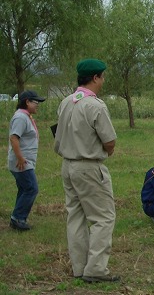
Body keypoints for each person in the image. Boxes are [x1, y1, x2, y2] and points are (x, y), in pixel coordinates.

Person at [54, 58, 119, 283]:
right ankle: (96, 269)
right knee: (103, 217)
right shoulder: (95, 105)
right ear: (95, 78)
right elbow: (109, 141)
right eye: (102, 76)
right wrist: (104, 152)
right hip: (89, 166)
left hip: (68, 165)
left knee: (75, 216)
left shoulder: (66, 102)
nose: (103, 80)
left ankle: (79, 267)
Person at [7, 90, 46, 231]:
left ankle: (17, 218)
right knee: (31, 188)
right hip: (22, 162)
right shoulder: (20, 118)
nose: (38, 105)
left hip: (24, 161)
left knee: (24, 189)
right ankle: (18, 219)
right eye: (36, 102)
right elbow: (14, 138)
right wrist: (20, 158)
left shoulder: (25, 117)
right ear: (27, 102)